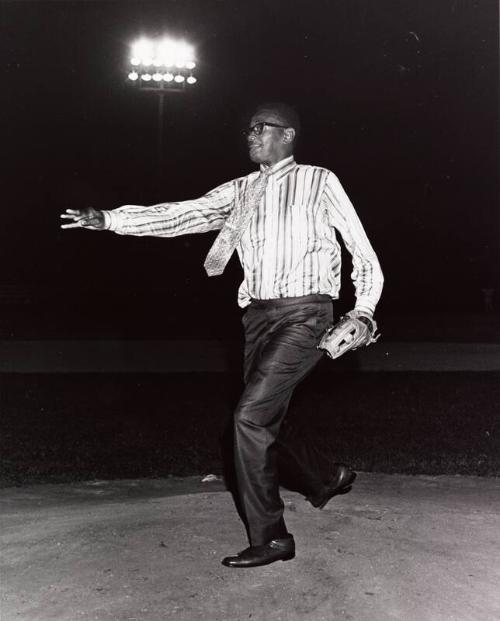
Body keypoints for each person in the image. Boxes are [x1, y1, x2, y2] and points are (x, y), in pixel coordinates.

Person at [61, 102, 384, 568]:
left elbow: (361, 248)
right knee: (263, 410)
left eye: (260, 128)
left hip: (306, 315)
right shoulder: (242, 191)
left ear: (288, 135)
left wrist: (364, 312)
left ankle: (272, 538)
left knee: (249, 418)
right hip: (256, 318)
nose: (250, 135)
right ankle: (325, 476)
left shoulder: (319, 180)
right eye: (248, 130)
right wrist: (110, 219)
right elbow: (182, 215)